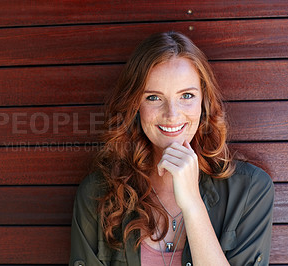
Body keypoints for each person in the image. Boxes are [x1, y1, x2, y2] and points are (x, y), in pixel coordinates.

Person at [69, 32, 274, 266]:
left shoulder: (250, 191)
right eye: (154, 98)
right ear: (135, 105)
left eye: (186, 95)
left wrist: (193, 205)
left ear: (203, 101)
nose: (172, 115)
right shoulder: (97, 194)